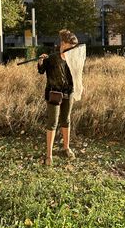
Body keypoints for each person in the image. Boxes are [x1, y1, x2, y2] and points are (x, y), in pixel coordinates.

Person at [38, 30, 79, 166]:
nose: (73, 49)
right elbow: (41, 70)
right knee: (52, 122)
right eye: (71, 46)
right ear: (63, 43)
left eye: (74, 46)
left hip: (69, 92)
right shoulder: (52, 56)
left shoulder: (72, 57)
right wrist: (41, 61)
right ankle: (49, 155)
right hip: (54, 93)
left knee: (65, 120)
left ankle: (66, 147)